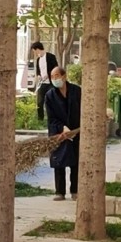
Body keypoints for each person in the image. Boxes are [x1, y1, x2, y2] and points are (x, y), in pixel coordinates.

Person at [44, 66, 81, 201]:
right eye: (52, 77)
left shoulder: (77, 91)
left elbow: (83, 110)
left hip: (76, 131)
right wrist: (62, 128)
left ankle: (75, 190)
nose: (55, 79)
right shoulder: (50, 96)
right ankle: (59, 191)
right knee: (58, 161)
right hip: (59, 133)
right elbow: (51, 117)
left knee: (75, 162)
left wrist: (75, 129)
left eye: (57, 76)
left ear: (64, 76)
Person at [31, 41, 58, 122]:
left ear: (38, 49)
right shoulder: (38, 59)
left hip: (50, 83)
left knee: (51, 101)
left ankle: (52, 119)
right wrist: (39, 75)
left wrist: (48, 74)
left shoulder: (51, 57)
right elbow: (38, 70)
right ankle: (40, 119)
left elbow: (56, 68)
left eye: (34, 51)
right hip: (42, 83)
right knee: (39, 102)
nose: (34, 53)